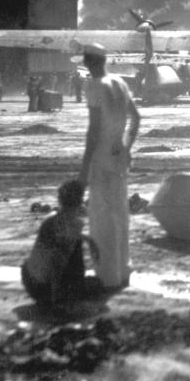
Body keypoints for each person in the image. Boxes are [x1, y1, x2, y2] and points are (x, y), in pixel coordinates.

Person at [78, 42, 140, 291]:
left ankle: (107, 276)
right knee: (120, 214)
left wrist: (83, 168)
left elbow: (93, 131)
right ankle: (123, 271)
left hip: (102, 156)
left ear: (89, 62)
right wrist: (126, 146)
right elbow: (136, 118)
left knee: (102, 217)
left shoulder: (94, 86)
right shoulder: (120, 83)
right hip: (118, 155)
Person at [21, 179, 99, 307]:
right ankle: (63, 294)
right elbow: (57, 261)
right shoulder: (73, 226)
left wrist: (88, 239)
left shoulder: (51, 220)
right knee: (96, 286)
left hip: (30, 280)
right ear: (80, 203)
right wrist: (56, 295)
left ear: (60, 201)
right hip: (44, 288)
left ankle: (65, 291)